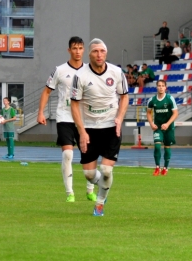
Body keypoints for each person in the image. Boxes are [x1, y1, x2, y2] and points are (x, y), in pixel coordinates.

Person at [70, 38, 129, 217]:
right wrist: (81, 131)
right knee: (89, 175)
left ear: (106, 53)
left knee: (106, 170)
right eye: (95, 51)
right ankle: (104, 185)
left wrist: (119, 118)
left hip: (111, 126)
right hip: (88, 128)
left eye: (102, 51)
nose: (99, 54)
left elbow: (124, 96)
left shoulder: (117, 72)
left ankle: (100, 203)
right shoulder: (80, 76)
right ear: (90, 54)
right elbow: (74, 104)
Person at [37, 36, 96, 202]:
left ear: (84, 50)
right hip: (64, 117)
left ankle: (90, 189)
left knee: (88, 154)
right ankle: (70, 193)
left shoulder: (90, 70)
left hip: (84, 119)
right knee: (67, 154)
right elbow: (47, 91)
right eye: (74, 48)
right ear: (69, 50)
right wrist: (40, 112)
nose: (78, 52)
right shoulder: (60, 70)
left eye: (80, 48)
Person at [147, 80, 178, 176]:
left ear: (165, 87)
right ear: (156, 87)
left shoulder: (170, 99)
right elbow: (148, 112)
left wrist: (168, 124)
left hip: (168, 127)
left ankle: (165, 168)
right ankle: (157, 167)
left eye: (162, 86)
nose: (161, 87)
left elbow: (175, 113)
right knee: (157, 146)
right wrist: (151, 123)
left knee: (167, 147)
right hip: (158, 127)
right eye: (159, 85)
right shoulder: (152, 100)